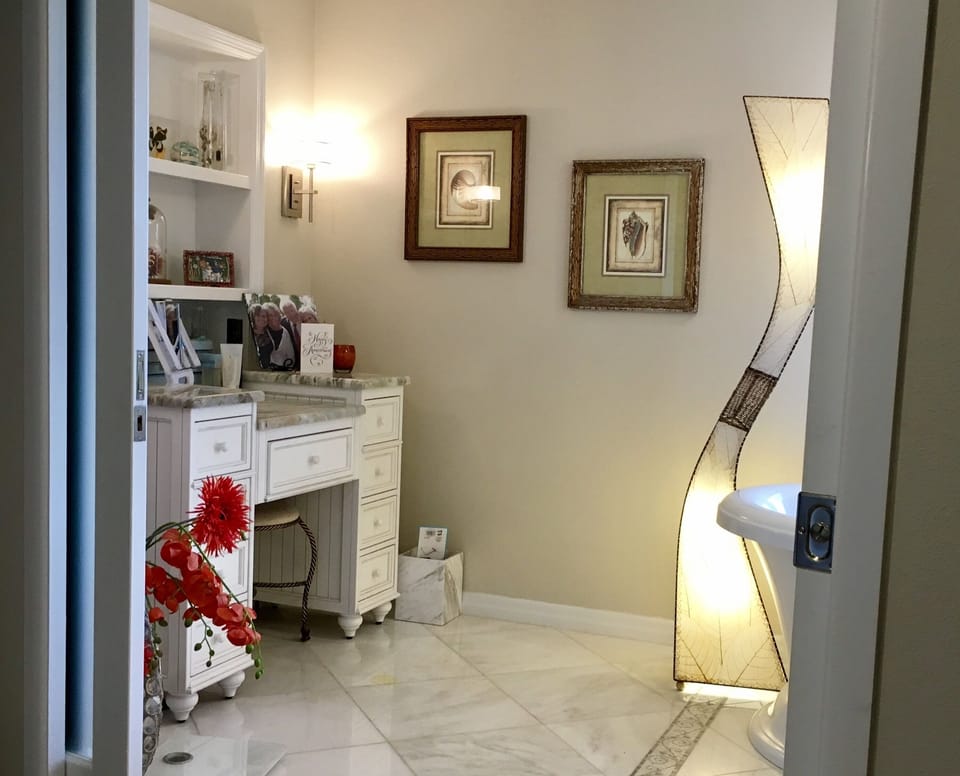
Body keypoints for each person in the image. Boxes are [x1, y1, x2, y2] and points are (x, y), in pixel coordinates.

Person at [262, 301, 296, 370]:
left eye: (275, 314)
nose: (273, 318)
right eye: (270, 315)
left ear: (279, 315)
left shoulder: (285, 332)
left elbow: (291, 356)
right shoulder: (263, 331)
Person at [247, 303, 274, 369]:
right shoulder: (247, 333)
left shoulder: (270, 331)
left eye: (264, 316)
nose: (262, 318)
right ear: (252, 317)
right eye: (258, 315)